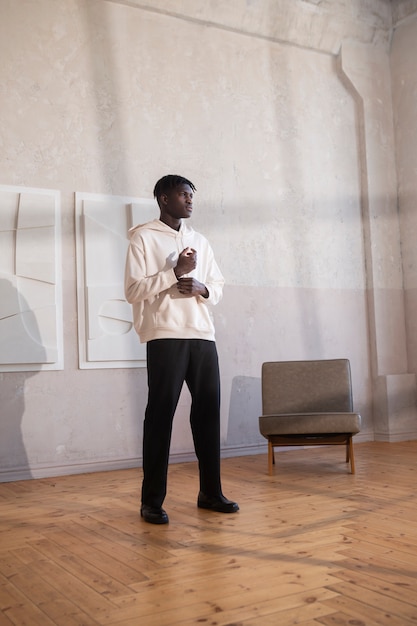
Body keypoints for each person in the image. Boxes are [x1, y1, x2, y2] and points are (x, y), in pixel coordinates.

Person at [124, 174, 239, 524]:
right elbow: (133, 291)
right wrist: (175, 273)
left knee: (208, 414)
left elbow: (217, 286)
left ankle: (211, 493)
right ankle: (152, 501)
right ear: (163, 198)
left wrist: (202, 287)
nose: (190, 200)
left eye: (192, 195)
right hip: (164, 335)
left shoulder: (200, 240)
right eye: (183, 194)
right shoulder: (142, 237)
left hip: (203, 335)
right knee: (160, 416)